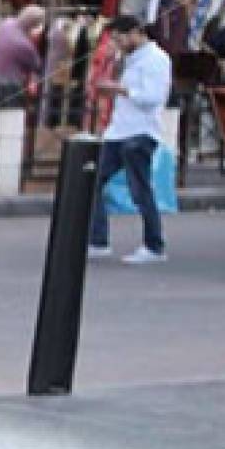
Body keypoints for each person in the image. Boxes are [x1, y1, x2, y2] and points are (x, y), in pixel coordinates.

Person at [89, 15, 172, 265]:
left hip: (141, 133)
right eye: (115, 39)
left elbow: (153, 97)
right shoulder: (128, 59)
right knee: (93, 182)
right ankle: (98, 240)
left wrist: (119, 89)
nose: (118, 44)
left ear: (137, 33)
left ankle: (154, 245)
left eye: (121, 38)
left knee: (140, 190)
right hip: (118, 131)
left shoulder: (156, 59)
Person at [0, 5, 47, 103]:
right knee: (10, 111)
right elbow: (36, 64)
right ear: (33, 25)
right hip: (8, 85)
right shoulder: (24, 45)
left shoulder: (7, 23)